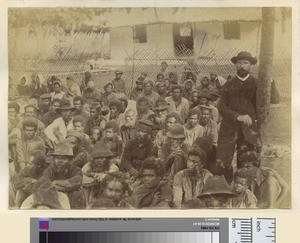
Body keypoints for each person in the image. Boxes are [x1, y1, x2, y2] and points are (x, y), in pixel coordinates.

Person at [216, 51, 261, 182]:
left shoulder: (257, 83)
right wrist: (237, 116)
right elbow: (222, 107)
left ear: (250, 65)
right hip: (229, 128)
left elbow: (271, 101)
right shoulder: (228, 85)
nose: (242, 65)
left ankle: (246, 191)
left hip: (248, 130)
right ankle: (224, 190)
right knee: (223, 163)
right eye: (239, 63)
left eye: (245, 63)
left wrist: (271, 83)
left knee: (247, 162)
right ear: (235, 65)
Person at [37, 141, 85, 209]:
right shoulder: (51, 169)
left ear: (69, 160)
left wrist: (55, 183)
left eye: (64, 158)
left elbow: (77, 180)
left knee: (77, 193)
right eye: (57, 158)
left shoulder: (75, 169)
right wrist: (63, 187)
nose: (60, 161)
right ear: (54, 159)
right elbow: (43, 181)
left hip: (72, 200)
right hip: (55, 198)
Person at [120, 120, 157, 184]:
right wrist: (130, 168)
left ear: (148, 134)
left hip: (144, 172)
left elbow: (149, 163)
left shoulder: (152, 145)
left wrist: (137, 174)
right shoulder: (130, 143)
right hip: (130, 171)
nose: (140, 134)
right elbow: (125, 159)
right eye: (138, 131)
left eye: (143, 132)